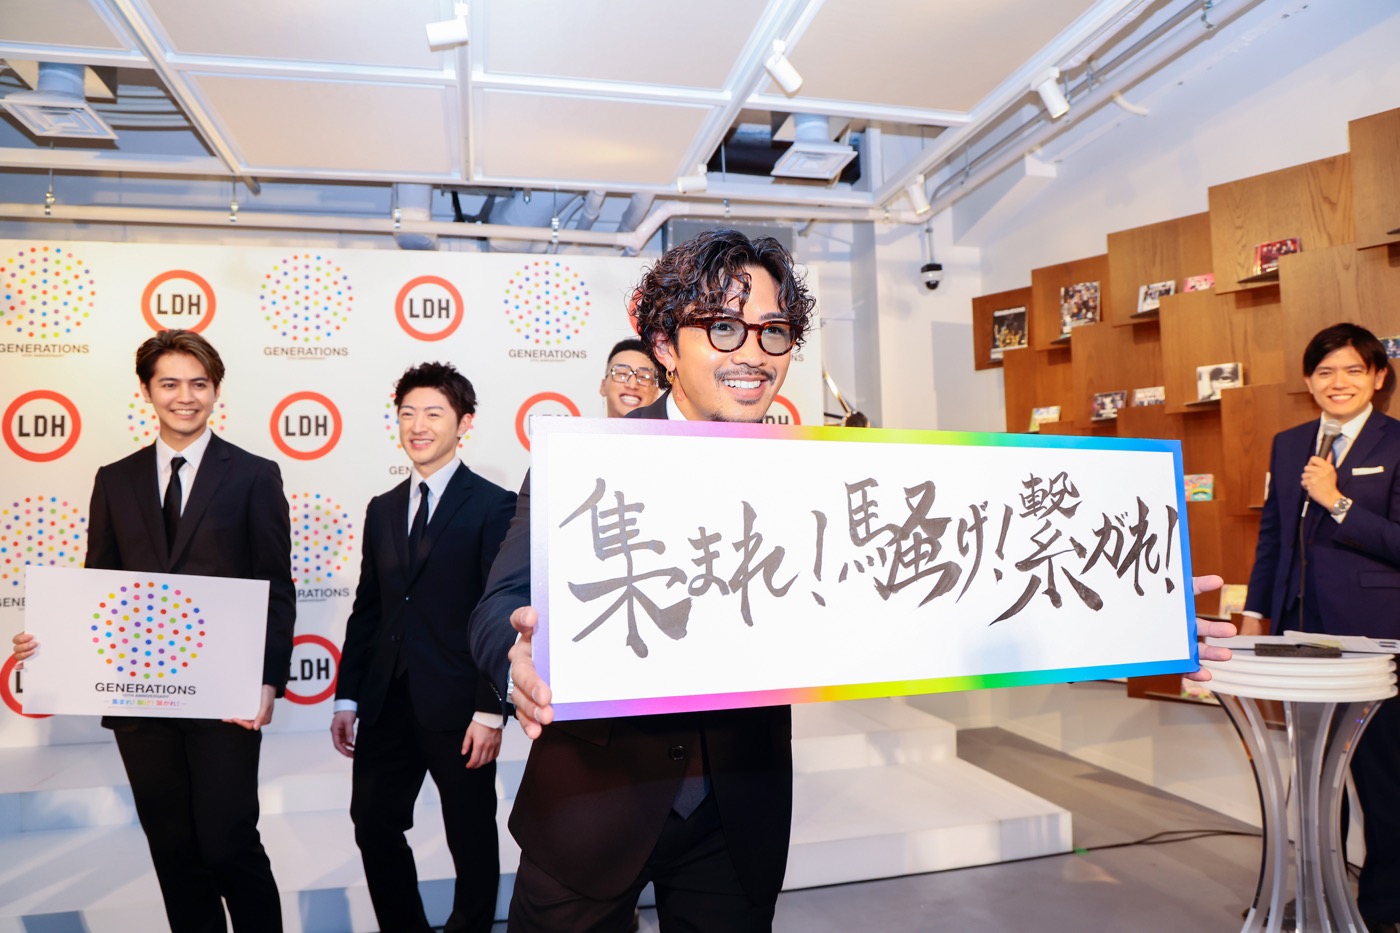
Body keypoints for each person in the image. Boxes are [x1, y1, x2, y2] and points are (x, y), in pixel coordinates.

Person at [469, 228, 1237, 932]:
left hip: (737, 813)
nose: (754, 353)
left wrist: (1146, 619)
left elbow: (953, 584)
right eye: (724, 327)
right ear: (666, 344)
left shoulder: (818, 475)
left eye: (774, 331)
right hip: (594, 803)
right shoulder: (589, 458)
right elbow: (500, 602)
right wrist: (516, 657)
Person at [12, 329, 295, 933]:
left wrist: (268, 679)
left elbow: (275, 584)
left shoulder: (254, 475)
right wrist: (50, 644)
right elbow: (99, 586)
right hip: (139, 697)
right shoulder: (115, 479)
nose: (184, 397)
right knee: (173, 851)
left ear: (216, 390)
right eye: (169, 384)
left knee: (228, 842)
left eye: (198, 384)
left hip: (224, 695)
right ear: (146, 391)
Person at [331, 362, 515, 933]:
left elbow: (499, 616)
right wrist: (347, 698)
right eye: (408, 413)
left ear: (465, 423)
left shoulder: (494, 505)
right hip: (386, 700)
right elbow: (369, 609)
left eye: (433, 413)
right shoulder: (382, 508)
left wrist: (491, 710)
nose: (418, 425)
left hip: (460, 706)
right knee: (373, 824)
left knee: (470, 834)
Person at [1242, 322, 1400, 933]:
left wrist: (1338, 502)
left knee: (1381, 779)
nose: (1339, 382)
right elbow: (1274, 535)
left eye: (1354, 370)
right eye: (1325, 371)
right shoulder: (1288, 444)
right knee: (1311, 780)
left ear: (1378, 378)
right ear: (1309, 382)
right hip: (1299, 636)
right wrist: (1256, 611)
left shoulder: (1396, 442)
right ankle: (1311, 898)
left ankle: (1385, 908)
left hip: (1374, 638)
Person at [599, 337, 663, 418]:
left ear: (656, 393)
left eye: (643, 377)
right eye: (622, 374)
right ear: (603, 386)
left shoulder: (673, 426)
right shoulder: (584, 426)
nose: (632, 385)